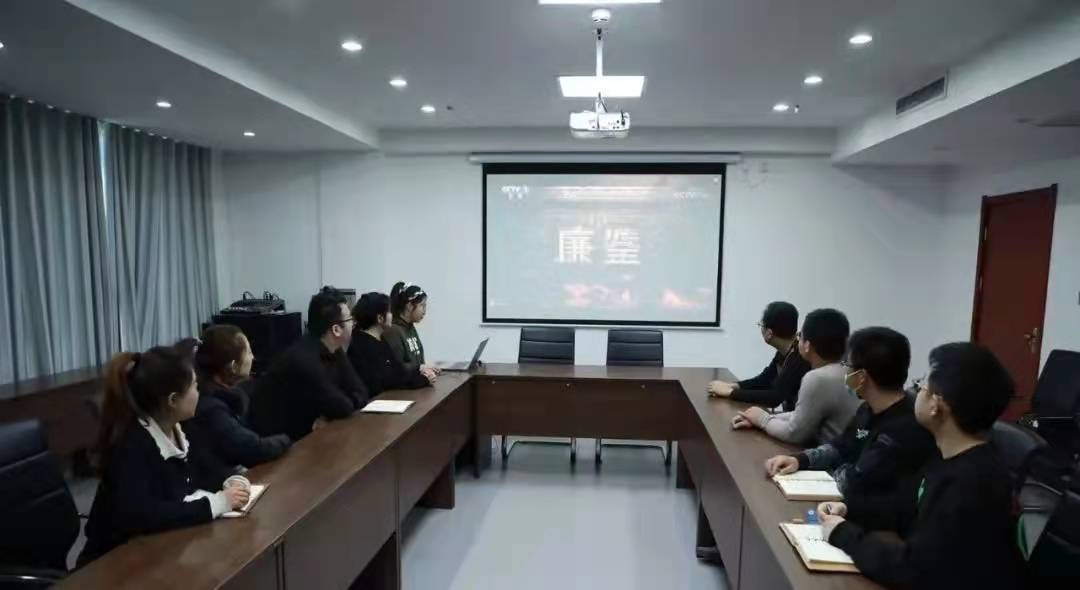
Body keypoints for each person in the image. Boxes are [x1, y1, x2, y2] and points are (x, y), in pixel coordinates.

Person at [818, 342, 1024, 590]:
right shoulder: (947, 456)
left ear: (936, 406)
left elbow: (913, 568)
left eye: (921, 388)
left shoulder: (971, 483)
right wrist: (849, 509)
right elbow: (906, 504)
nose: (914, 392)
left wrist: (843, 534)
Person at [79, 343, 250, 566]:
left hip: (158, 548)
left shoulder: (179, 427)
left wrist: (230, 480)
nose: (199, 392)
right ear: (173, 400)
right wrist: (217, 503)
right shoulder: (133, 445)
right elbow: (146, 515)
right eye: (194, 387)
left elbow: (204, 467)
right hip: (113, 561)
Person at [764, 327, 936, 497]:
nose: (845, 370)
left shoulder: (903, 429)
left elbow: (856, 482)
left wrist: (834, 472)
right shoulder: (867, 408)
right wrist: (799, 460)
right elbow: (841, 446)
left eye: (847, 364)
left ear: (861, 377)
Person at [249, 286, 368, 440]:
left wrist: (341, 407)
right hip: (278, 442)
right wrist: (344, 404)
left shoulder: (334, 349)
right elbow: (342, 406)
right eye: (350, 319)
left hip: (307, 432)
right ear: (336, 329)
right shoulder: (303, 360)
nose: (353, 323)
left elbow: (360, 391)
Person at [732, 308, 859, 446]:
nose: (797, 339)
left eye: (800, 336)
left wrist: (763, 420)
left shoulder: (819, 378)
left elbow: (794, 433)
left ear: (807, 346)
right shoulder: (846, 369)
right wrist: (763, 417)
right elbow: (801, 415)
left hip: (833, 455)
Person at [185, 325, 291, 469]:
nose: (253, 357)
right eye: (249, 352)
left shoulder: (229, 393)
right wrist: (287, 438)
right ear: (233, 366)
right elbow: (253, 449)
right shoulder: (211, 409)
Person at [708, 301, 809, 411]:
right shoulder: (785, 352)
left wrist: (730, 392)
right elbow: (763, 380)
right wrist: (733, 386)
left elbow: (775, 397)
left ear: (769, 333)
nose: (760, 328)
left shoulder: (799, 358)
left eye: (761, 325)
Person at [348, 292, 433, 396]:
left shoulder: (380, 339)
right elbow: (389, 379)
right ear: (380, 318)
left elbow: (397, 370)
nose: (392, 315)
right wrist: (422, 379)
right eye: (389, 312)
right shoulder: (362, 344)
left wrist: (421, 372)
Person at [384, 282, 439, 383]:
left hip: (417, 382)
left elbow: (418, 361)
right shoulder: (393, 330)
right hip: (404, 387)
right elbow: (397, 367)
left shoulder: (410, 327)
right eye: (422, 305)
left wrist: (426, 368)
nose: (424, 311)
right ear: (409, 306)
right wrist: (420, 368)